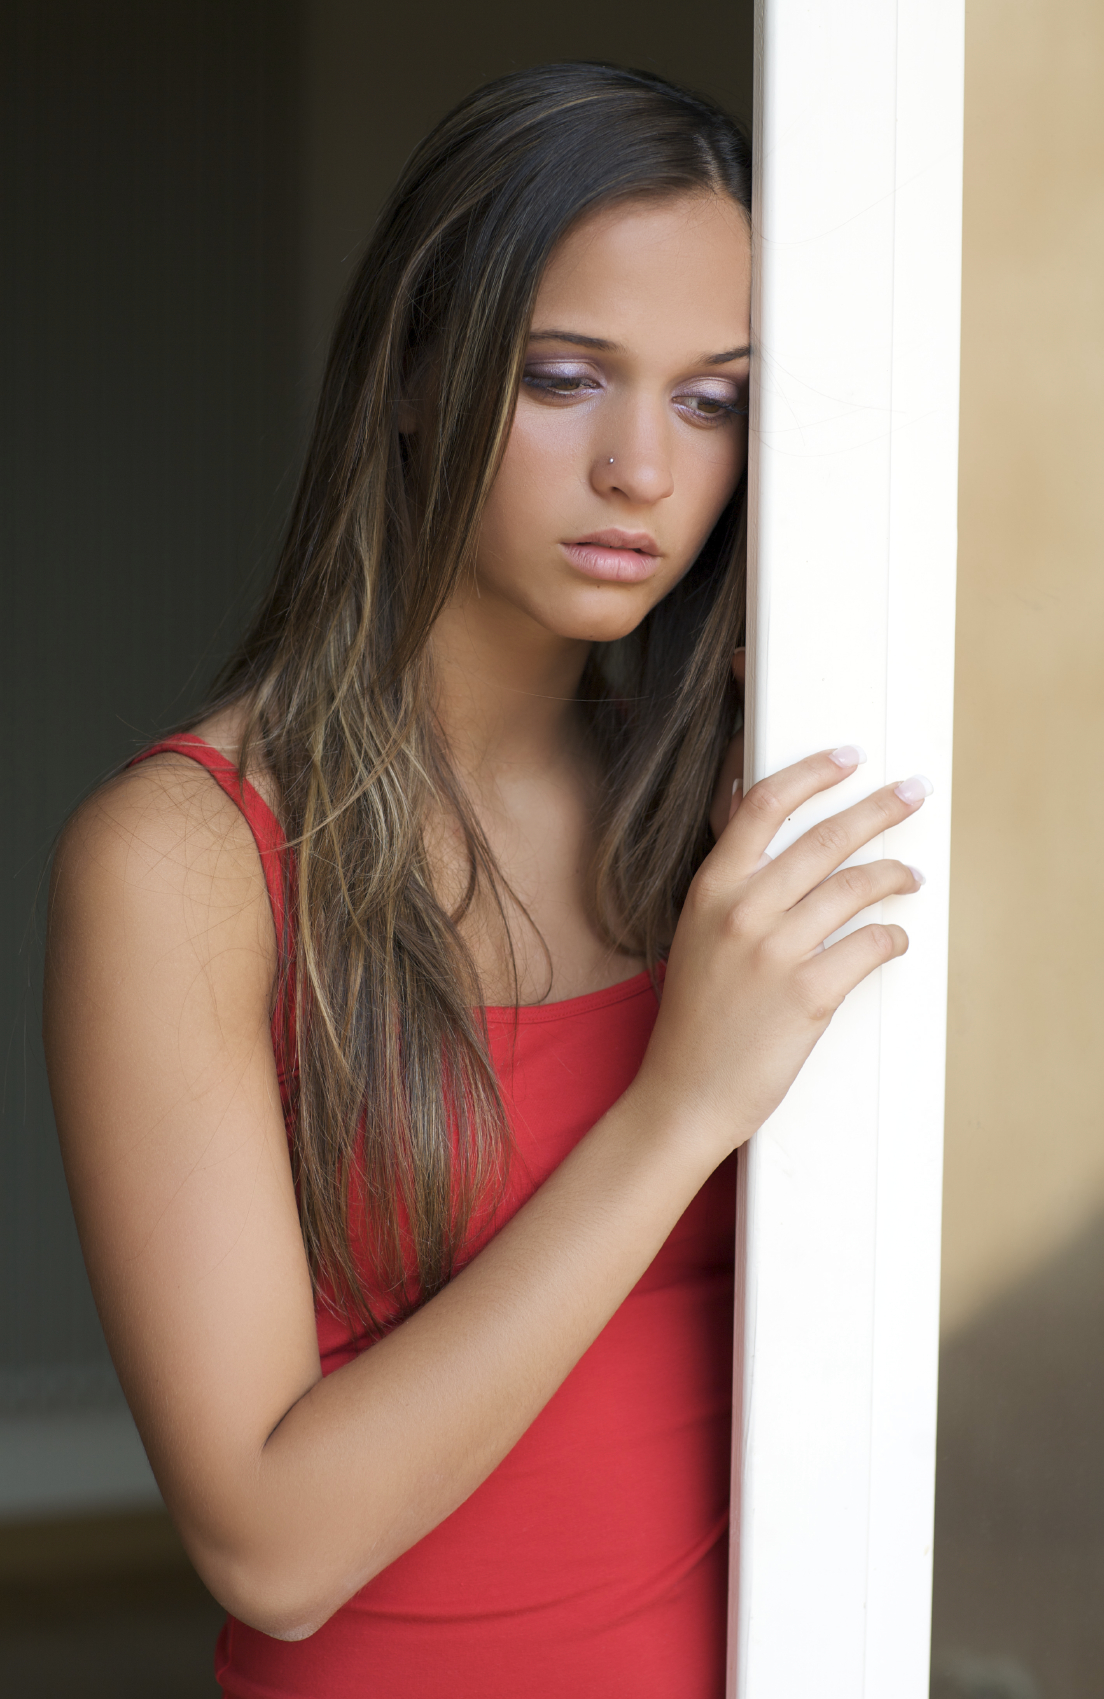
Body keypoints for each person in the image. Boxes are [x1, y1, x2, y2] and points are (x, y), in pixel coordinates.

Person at [43, 63, 927, 1699]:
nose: (641, 470)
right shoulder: (189, 860)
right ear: (412, 373)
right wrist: (678, 1108)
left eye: (711, 401)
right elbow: (271, 1553)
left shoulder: (723, 818)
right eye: (563, 378)